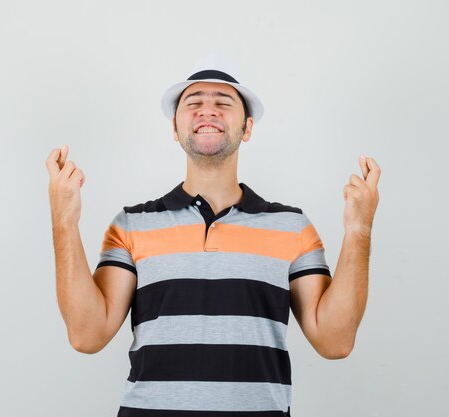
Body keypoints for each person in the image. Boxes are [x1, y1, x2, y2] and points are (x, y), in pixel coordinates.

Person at [45, 52, 381, 417]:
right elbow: (86, 335)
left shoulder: (292, 226)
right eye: (194, 103)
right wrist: (64, 220)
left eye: (223, 102)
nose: (208, 111)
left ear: (247, 128)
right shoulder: (131, 225)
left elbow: (335, 342)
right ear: (175, 128)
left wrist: (358, 228)